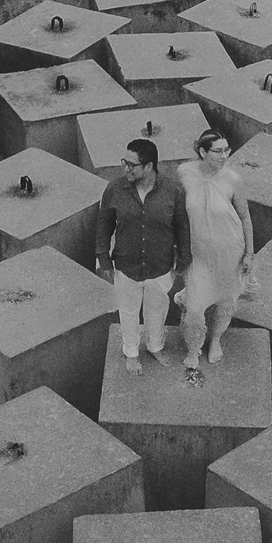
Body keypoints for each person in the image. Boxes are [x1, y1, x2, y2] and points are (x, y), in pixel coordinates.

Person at [94, 137, 187, 376]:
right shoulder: (114, 189)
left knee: (157, 309)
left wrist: (184, 260)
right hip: (126, 264)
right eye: (124, 162)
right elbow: (104, 226)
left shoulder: (173, 191)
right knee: (128, 310)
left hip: (161, 264)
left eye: (131, 165)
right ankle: (131, 352)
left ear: (149, 166)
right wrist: (103, 258)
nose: (125, 168)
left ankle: (155, 346)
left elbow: (182, 227)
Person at [175, 129, 256, 375]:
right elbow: (177, 211)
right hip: (198, 253)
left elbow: (244, 216)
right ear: (202, 151)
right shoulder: (184, 173)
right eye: (218, 151)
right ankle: (193, 348)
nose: (224, 156)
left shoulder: (233, 179)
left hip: (230, 249)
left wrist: (249, 253)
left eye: (227, 150)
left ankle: (216, 339)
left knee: (225, 299)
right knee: (195, 308)